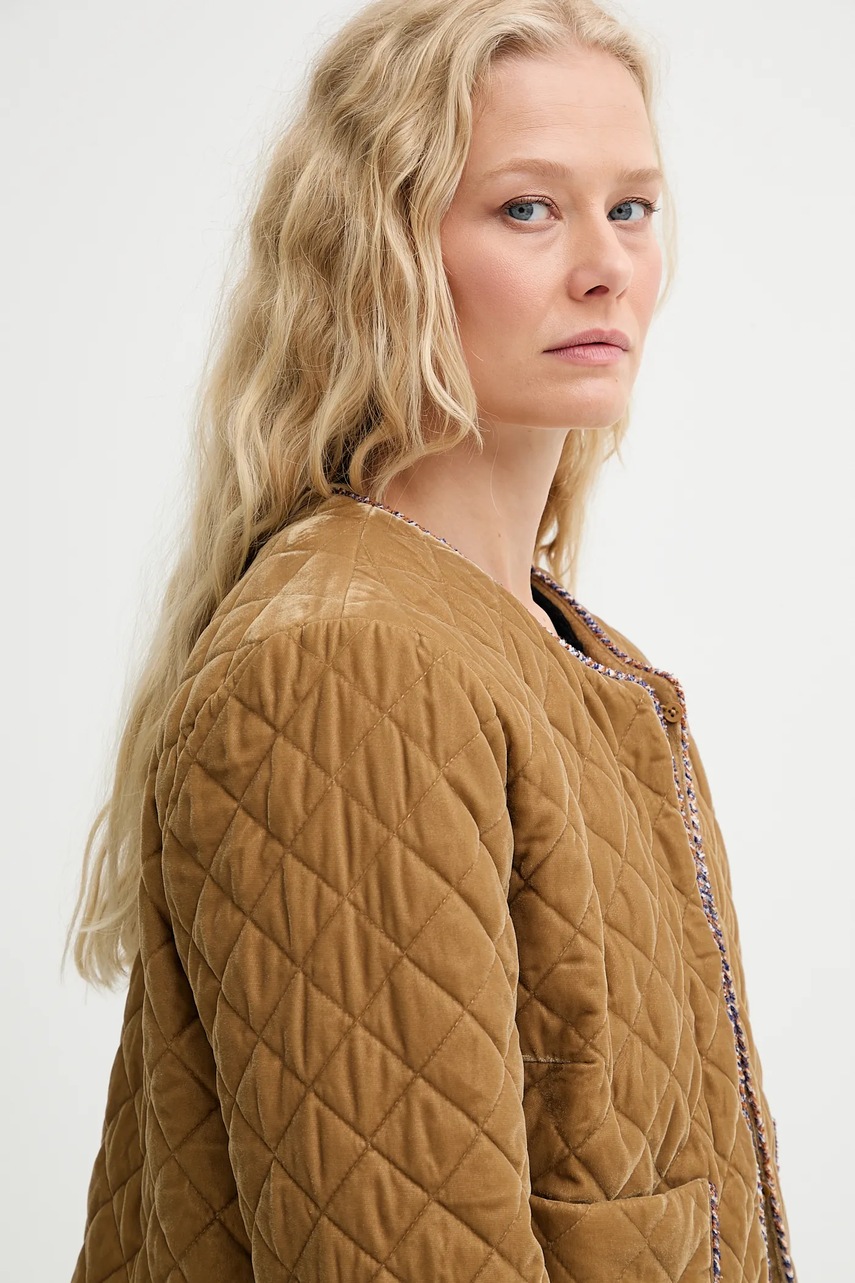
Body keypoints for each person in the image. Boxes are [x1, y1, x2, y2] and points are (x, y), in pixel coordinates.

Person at [64, 1, 799, 1280]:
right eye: (529, 208)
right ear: (382, 253)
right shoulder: (350, 666)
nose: (607, 266)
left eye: (632, 206)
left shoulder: (560, 648)